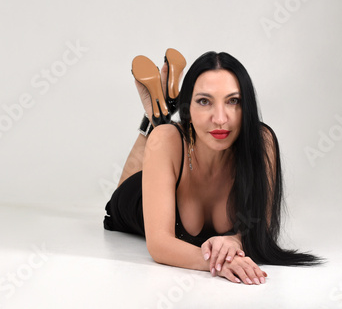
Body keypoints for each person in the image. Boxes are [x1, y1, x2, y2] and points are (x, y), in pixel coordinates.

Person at [104, 49, 323, 285]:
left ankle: (162, 110)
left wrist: (235, 242)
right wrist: (218, 262)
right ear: (188, 108)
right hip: (135, 196)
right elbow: (159, 245)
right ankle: (155, 119)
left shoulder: (262, 142)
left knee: (163, 138)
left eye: (233, 101)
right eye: (204, 101)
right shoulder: (166, 140)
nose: (220, 118)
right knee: (130, 181)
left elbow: (261, 228)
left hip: (172, 155)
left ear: (246, 105)